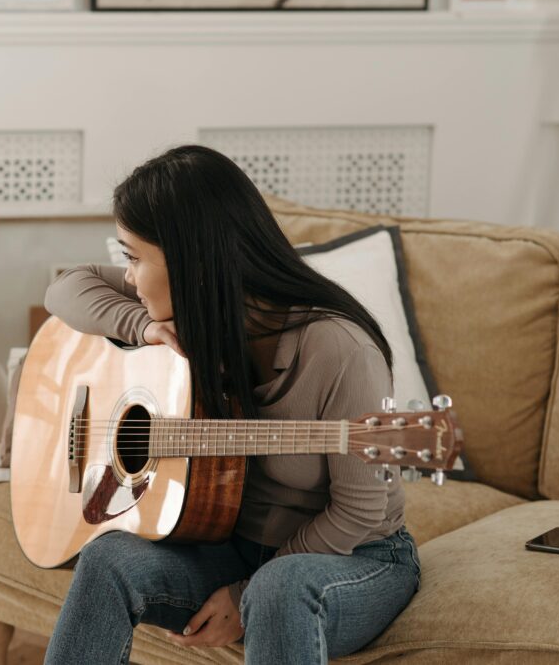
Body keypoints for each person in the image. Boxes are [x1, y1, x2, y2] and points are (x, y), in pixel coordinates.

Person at [41, 145, 420, 664]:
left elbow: (358, 512)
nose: (127, 277)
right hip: (234, 548)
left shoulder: (340, 349)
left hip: (356, 559)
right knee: (108, 557)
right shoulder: (198, 317)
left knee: (278, 588)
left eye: (133, 257)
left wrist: (246, 594)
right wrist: (144, 327)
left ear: (192, 262)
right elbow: (65, 289)